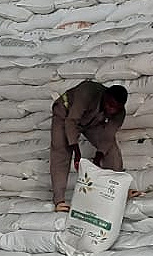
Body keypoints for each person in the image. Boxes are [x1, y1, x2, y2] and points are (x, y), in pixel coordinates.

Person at [49, 80, 129, 212]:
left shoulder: (119, 113)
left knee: (111, 150)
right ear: (105, 96)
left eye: (116, 108)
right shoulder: (87, 92)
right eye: (109, 105)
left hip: (90, 121)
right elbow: (71, 121)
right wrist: (76, 152)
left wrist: (98, 156)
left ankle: (117, 190)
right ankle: (59, 200)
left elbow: (107, 136)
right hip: (66, 114)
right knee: (61, 151)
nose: (112, 110)